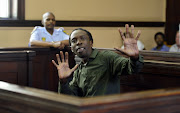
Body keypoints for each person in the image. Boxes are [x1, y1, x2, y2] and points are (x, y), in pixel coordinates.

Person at [52, 24, 144, 97]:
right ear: (72, 48)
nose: (78, 42)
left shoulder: (107, 57)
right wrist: (63, 81)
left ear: (91, 43)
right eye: (74, 40)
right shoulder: (78, 69)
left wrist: (134, 58)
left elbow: (131, 69)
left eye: (82, 38)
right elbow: (71, 97)